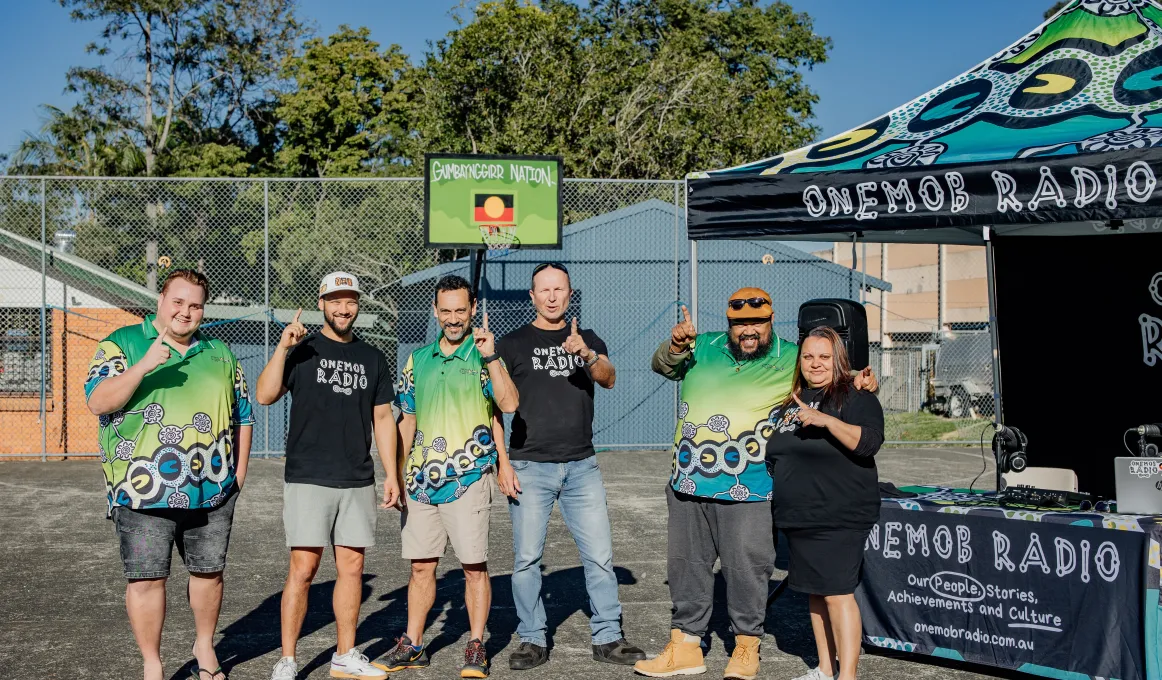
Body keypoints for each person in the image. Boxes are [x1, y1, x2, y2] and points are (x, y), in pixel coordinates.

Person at [639, 289, 875, 680]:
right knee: (686, 566)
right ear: (729, 323)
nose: (749, 331)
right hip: (687, 481)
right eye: (740, 324)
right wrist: (675, 344)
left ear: (771, 321)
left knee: (747, 568)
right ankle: (685, 647)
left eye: (758, 323)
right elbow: (662, 365)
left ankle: (747, 645)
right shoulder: (702, 346)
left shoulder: (790, 357)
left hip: (749, 485)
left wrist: (862, 381)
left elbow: (830, 378)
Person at [84, 269, 254, 680]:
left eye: (195, 305)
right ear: (161, 301)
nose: (186, 311)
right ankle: (153, 664)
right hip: (141, 491)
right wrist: (144, 364)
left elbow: (243, 415)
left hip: (211, 490)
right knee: (146, 580)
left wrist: (238, 475)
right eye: (178, 301)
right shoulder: (121, 344)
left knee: (209, 574)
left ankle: (204, 647)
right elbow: (98, 401)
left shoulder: (220, 352)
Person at [493, 262, 647, 670]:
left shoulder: (587, 338)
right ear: (532, 296)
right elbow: (493, 407)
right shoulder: (511, 344)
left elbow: (609, 378)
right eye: (543, 290)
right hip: (530, 467)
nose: (551, 296)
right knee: (526, 559)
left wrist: (587, 353)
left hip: (582, 467)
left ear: (569, 293)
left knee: (598, 556)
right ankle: (531, 639)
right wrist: (502, 463)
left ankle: (608, 636)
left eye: (558, 289)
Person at [255, 272, 400, 680]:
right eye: (335, 300)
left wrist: (392, 474)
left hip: (357, 477)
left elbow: (384, 417)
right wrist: (283, 348)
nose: (343, 307)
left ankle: (345, 654)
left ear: (357, 305)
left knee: (352, 568)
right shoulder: (302, 349)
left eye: (350, 300)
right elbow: (265, 395)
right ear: (321, 303)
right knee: (303, 570)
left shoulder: (372, 357)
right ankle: (287, 658)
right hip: (309, 477)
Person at [381, 275, 519, 679]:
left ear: (473, 308)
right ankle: (414, 644)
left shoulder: (485, 356)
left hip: (469, 477)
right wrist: (396, 474)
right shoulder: (417, 360)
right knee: (421, 567)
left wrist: (492, 357)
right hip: (421, 482)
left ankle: (476, 644)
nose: (454, 318)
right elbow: (406, 421)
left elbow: (506, 406)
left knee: (474, 565)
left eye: (461, 310)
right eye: (447, 311)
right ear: (435, 311)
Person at [765, 327, 883, 680]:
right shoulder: (792, 401)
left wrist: (827, 421)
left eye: (824, 357)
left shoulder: (855, 396)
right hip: (800, 518)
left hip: (839, 515)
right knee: (815, 593)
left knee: (836, 593)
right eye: (808, 356)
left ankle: (846, 675)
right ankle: (823, 668)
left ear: (839, 361)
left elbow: (869, 443)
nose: (815, 364)